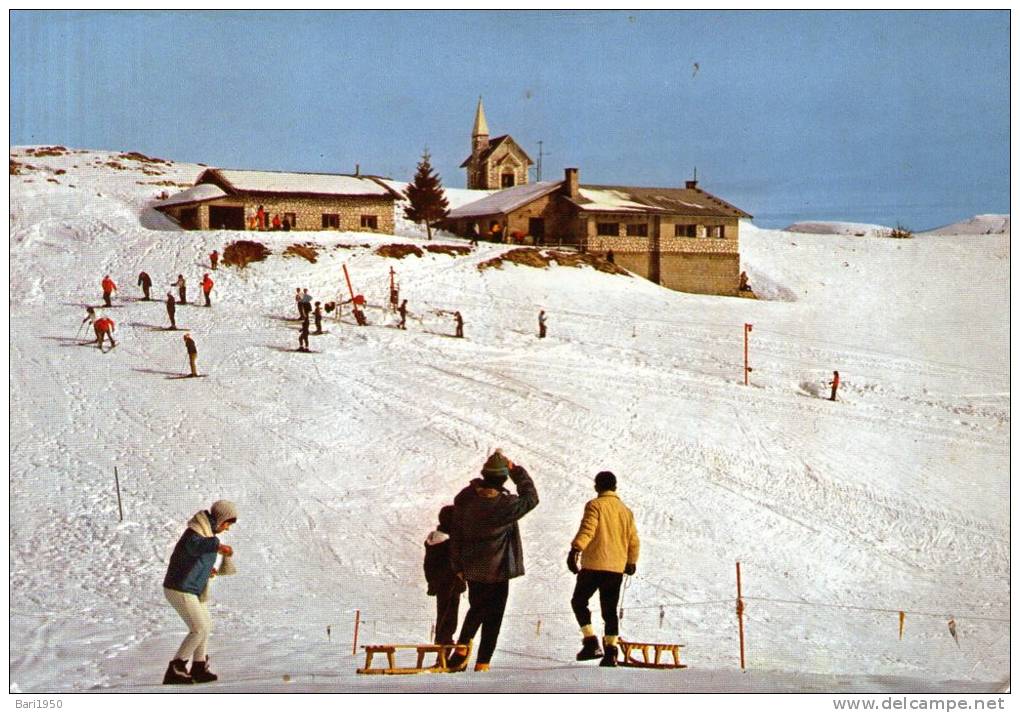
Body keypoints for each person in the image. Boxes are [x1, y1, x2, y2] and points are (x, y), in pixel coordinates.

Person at [447, 450, 539, 672]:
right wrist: (515, 470)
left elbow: (456, 534)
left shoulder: (466, 502)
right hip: (499, 569)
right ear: (503, 479)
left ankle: (461, 649)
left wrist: (458, 566)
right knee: (494, 617)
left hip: (472, 566)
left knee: (476, 608)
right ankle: (482, 663)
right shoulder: (506, 505)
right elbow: (531, 497)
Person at [567, 471, 640, 667]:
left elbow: (588, 529)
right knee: (610, 611)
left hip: (593, 566)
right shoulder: (626, 511)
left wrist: (576, 549)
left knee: (579, 601)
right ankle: (611, 652)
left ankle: (591, 642)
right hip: (616, 568)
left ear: (597, 486)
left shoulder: (595, 505)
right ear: (615, 487)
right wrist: (631, 561)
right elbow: (633, 540)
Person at [162, 500, 238, 685]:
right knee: (199, 629)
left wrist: (208, 571)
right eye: (227, 523)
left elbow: (195, 558)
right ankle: (176, 668)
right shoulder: (196, 533)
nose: (227, 528)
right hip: (179, 588)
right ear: (220, 519)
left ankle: (198, 666)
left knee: (206, 626)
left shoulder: (206, 533)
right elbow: (195, 547)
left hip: (191, 589)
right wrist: (217, 546)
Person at [424, 505, 466, 647]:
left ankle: (443, 639)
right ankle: (444, 640)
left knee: (444, 610)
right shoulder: (449, 542)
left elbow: (428, 565)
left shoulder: (436, 541)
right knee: (449, 612)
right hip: (450, 581)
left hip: (442, 582)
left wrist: (431, 581)